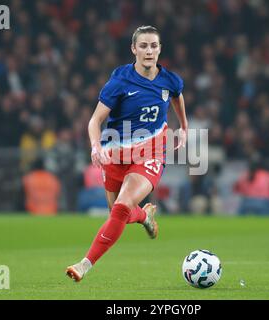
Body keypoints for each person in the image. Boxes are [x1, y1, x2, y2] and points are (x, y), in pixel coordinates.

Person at [66, 26, 188, 282]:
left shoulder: (170, 80)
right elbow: (94, 121)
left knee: (121, 208)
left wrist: (184, 127)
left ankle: (84, 264)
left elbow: (177, 97)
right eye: (143, 46)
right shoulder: (120, 80)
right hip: (116, 153)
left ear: (160, 49)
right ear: (134, 49)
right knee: (118, 212)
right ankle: (145, 215)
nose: (149, 51)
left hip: (151, 152)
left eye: (154, 46)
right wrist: (95, 146)